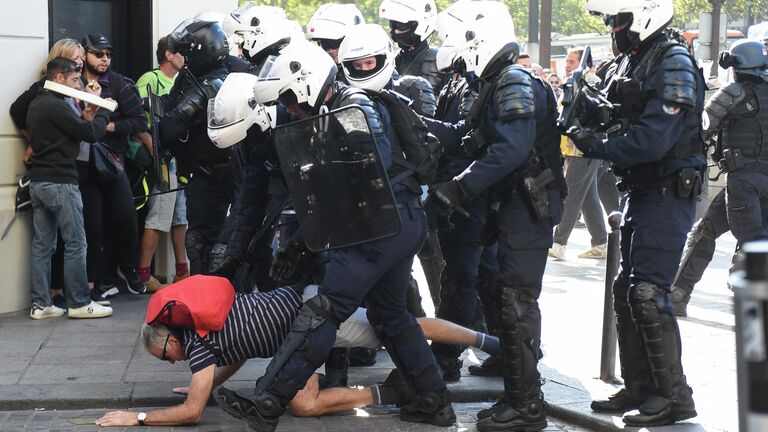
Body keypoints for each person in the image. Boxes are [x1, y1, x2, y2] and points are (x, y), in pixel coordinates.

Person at [212, 40, 454, 431]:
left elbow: (369, 162)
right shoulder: (339, 105)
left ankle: (268, 399)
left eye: (290, 98)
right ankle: (433, 401)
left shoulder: (352, 102)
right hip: (395, 223)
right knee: (391, 314)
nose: (289, 108)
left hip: (378, 227)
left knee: (322, 311)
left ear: (306, 81)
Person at [422, 2, 565, 429]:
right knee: (506, 295)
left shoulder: (513, 81)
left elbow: (511, 150)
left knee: (517, 301)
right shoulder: (497, 82)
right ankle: (518, 394)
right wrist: (409, 116)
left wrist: (460, 186)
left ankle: (527, 406)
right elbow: (468, 136)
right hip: (514, 205)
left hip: (529, 204)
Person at [94, 280, 500, 427]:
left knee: (404, 329)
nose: (173, 362)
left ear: (170, 336)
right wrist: (207, 383)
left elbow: (193, 414)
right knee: (305, 405)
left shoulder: (196, 342)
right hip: (301, 322)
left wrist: (139, 417)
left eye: (166, 356)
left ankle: (488, 342)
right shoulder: (206, 331)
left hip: (310, 318)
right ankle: (393, 394)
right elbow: (238, 349)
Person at [567, 0, 706, 426]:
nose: (613, 27)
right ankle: (641, 386)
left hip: (668, 188)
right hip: (641, 187)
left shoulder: (673, 60)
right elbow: (610, 108)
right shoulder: (637, 58)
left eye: (619, 19)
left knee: (649, 293)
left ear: (645, 13)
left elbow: (652, 140)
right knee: (627, 288)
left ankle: (673, 396)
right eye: (611, 19)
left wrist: (597, 145)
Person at [671, 39, 768, 316]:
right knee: (707, 229)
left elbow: (702, 128)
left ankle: (752, 314)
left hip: (743, 181)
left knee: (753, 247)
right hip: (757, 181)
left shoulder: (733, 92)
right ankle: (678, 294)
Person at [26, 57, 114, 320]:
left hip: (39, 181)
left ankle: (41, 305)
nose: (79, 83)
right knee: (76, 242)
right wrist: (104, 109)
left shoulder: (36, 104)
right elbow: (89, 133)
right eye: (75, 79)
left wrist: (89, 111)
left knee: (43, 245)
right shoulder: (55, 104)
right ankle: (78, 302)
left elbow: (73, 130)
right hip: (61, 182)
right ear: (59, 78)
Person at [160, 20, 232, 276]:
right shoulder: (190, 77)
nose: (184, 58)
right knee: (200, 242)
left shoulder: (216, 81)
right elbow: (167, 108)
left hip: (229, 173)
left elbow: (170, 125)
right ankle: (205, 300)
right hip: (203, 173)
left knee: (228, 244)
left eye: (188, 52)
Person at [78, 33, 148, 296]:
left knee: (125, 216)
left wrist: (107, 126)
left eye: (108, 54)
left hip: (112, 162)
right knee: (93, 224)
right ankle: (99, 278)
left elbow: (139, 122)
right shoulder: (74, 81)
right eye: (99, 53)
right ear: (85, 54)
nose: (105, 59)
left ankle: (128, 268)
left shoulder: (119, 83)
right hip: (83, 165)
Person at [135, 36, 189, 292]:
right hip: (164, 158)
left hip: (181, 158)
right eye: (180, 53)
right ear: (168, 55)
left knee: (180, 217)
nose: (184, 58)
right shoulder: (150, 79)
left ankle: (183, 271)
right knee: (158, 216)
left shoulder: (183, 81)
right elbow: (135, 117)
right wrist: (150, 145)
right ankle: (144, 277)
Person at [549, 46, 610, 260]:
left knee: (572, 194)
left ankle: (559, 243)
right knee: (588, 197)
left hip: (585, 148)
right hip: (576, 148)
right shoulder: (576, 82)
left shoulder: (590, 83)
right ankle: (601, 243)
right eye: (566, 61)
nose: (567, 65)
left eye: (572, 62)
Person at [380, 0, 447, 94]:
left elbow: (427, 102)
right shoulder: (396, 57)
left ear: (420, 25)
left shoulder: (434, 58)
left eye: (401, 26)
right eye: (393, 25)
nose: (395, 31)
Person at [307, 3, 365, 81]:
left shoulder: (367, 67)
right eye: (324, 44)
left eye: (335, 43)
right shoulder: (320, 72)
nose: (330, 50)